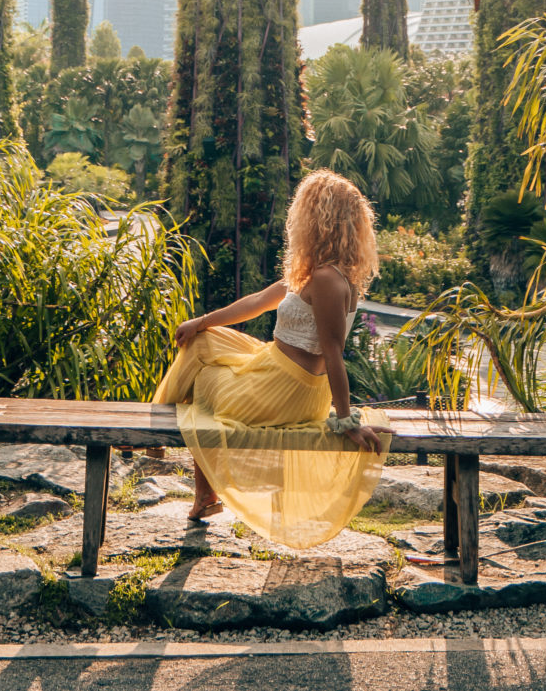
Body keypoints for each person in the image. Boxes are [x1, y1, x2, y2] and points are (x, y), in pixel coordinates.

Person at [153, 168, 392, 549]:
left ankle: (183, 473)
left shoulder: (329, 280)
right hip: (272, 368)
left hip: (283, 388)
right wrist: (200, 321)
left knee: (202, 380)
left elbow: (333, 353)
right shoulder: (315, 274)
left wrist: (346, 420)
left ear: (316, 220)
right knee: (205, 340)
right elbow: (255, 303)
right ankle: (203, 494)